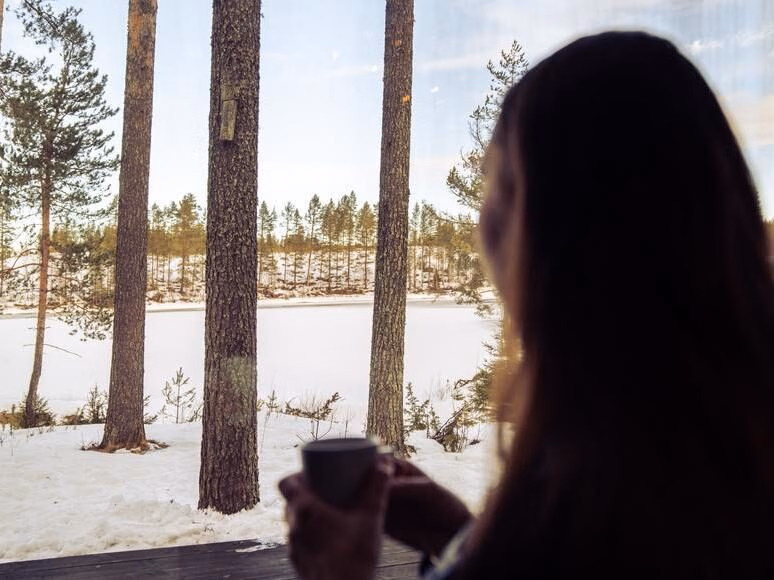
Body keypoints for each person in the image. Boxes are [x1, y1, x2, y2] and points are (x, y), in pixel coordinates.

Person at [279, 31, 774, 579]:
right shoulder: (711, 444)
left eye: (497, 182)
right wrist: (460, 538)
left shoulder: (599, 486)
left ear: (553, 229)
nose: (477, 225)